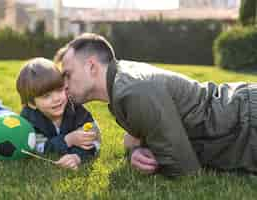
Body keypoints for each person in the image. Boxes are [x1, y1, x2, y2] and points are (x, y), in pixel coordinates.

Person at [54, 33, 257, 177]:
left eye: (68, 75)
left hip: (248, 118)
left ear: (91, 66)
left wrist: (145, 151)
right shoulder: (119, 85)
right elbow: (137, 137)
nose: (63, 86)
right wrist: (136, 151)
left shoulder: (133, 92)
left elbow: (185, 170)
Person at [0, 57, 101, 170]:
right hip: (23, 118)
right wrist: (67, 140)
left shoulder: (77, 110)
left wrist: (77, 157)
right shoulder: (29, 120)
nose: (56, 99)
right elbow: (36, 147)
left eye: (59, 90)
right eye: (46, 96)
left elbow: (94, 138)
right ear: (32, 103)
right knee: (10, 119)